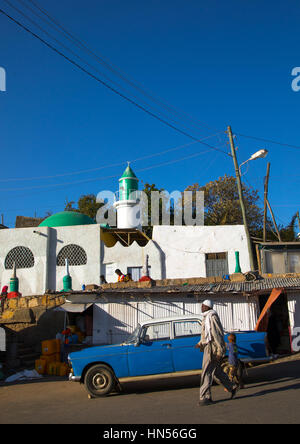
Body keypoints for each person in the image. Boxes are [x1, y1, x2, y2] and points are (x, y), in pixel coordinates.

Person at [195, 299, 238, 406]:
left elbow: (217, 334)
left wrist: (220, 351)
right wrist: (200, 343)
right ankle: (231, 387)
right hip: (207, 346)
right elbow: (206, 334)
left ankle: (205, 397)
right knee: (216, 371)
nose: (202, 307)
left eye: (204, 306)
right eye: (202, 305)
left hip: (212, 348)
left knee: (206, 372)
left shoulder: (212, 317)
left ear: (208, 307)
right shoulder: (206, 317)